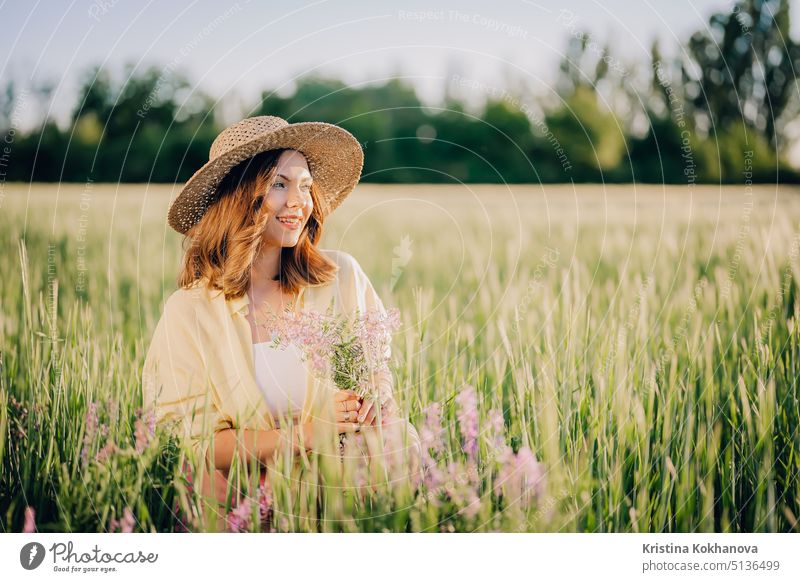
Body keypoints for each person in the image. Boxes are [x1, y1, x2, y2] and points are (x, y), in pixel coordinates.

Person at [141, 115, 422, 531]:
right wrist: (309, 434)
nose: (299, 201)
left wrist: (368, 402)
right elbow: (194, 443)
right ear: (238, 195)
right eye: (279, 184)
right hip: (242, 496)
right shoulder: (191, 311)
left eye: (305, 185)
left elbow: (377, 372)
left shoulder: (341, 277)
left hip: (342, 482)